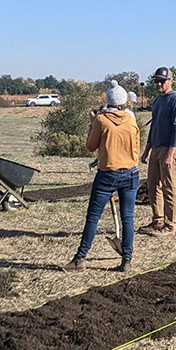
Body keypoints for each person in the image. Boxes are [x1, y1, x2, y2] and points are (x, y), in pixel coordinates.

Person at [64, 81, 140, 273]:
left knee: (93, 217)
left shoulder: (101, 121)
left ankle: (80, 258)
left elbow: (90, 146)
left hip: (108, 174)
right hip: (131, 173)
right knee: (128, 218)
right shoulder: (131, 119)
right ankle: (127, 260)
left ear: (108, 101)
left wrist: (92, 123)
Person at [140, 66, 176, 235]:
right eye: (157, 81)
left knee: (169, 187)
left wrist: (170, 154)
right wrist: (146, 151)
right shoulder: (158, 101)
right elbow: (153, 128)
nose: (159, 84)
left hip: (169, 149)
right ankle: (157, 221)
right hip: (156, 149)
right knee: (153, 186)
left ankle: (170, 225)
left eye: (162, 81)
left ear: (170, 81)